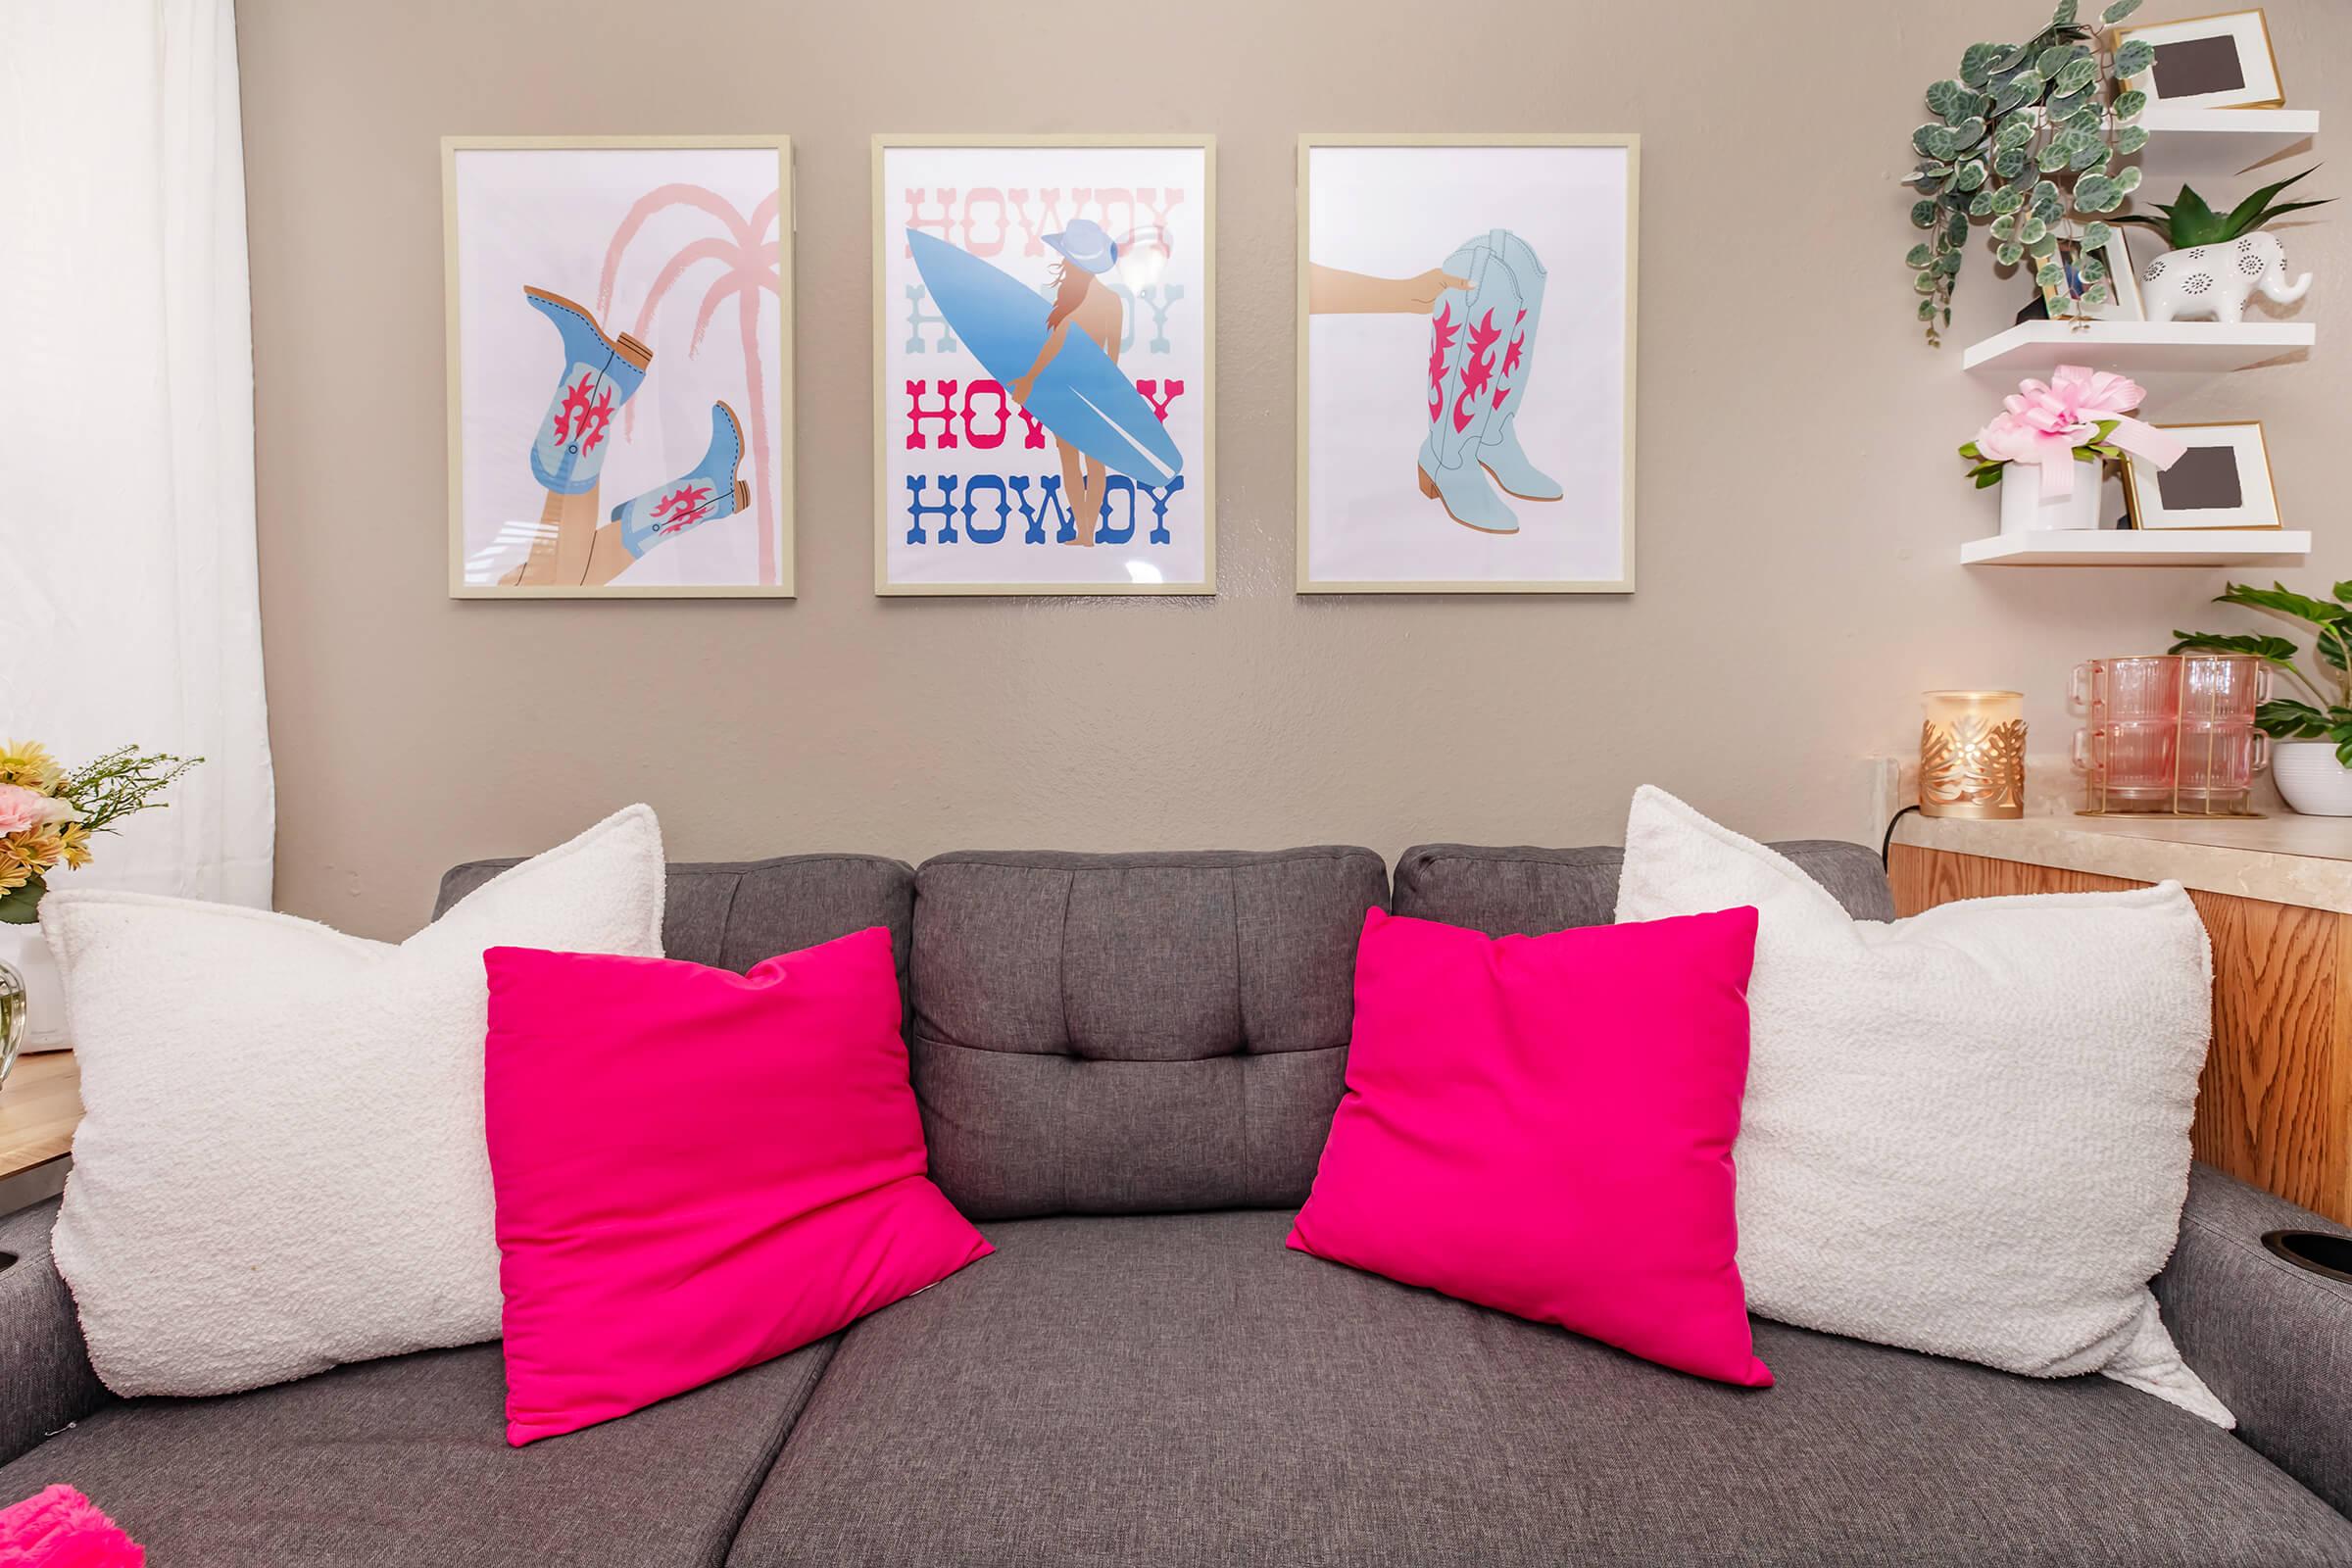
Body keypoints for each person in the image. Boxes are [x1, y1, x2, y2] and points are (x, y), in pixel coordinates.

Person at [1010, 218, 1124, 547]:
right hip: (1095, 390)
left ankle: (1085, 531)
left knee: (1072, 462)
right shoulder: (1111, 302)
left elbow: (1055, 345)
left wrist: (1029, 380)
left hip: (1071, 391)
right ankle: (1086, 533)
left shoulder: (1076, 304)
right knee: (1092, 462)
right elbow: (1112, 357)